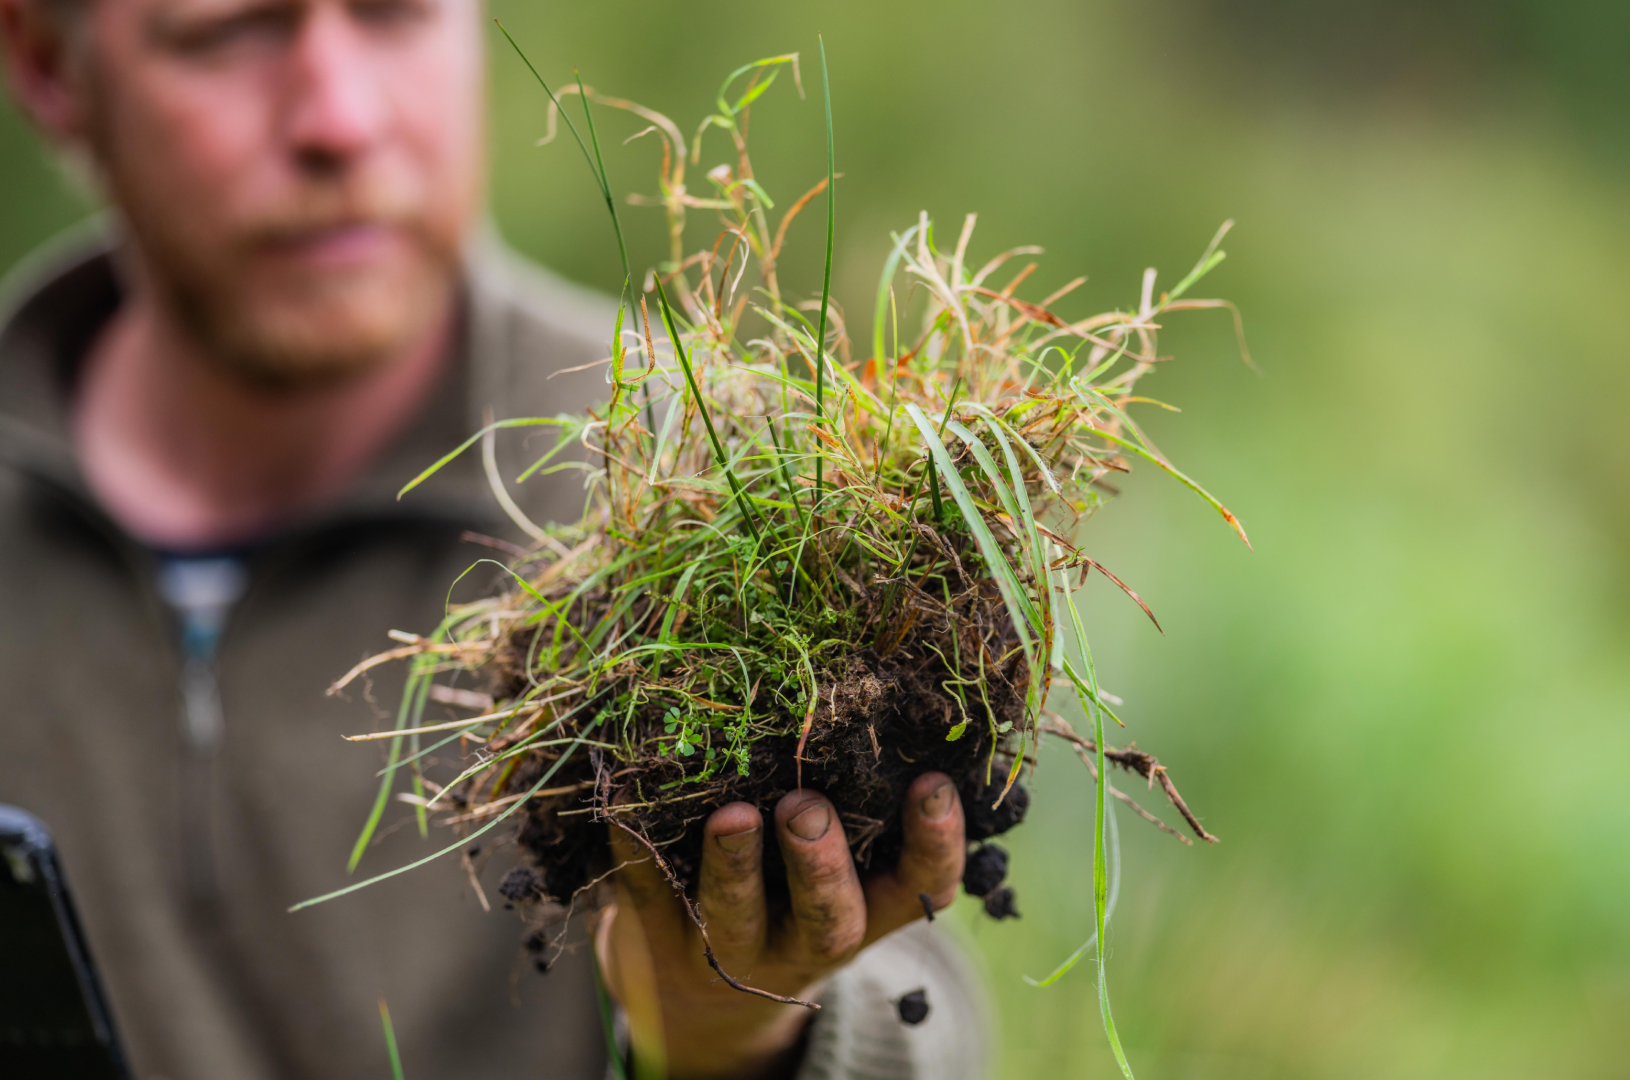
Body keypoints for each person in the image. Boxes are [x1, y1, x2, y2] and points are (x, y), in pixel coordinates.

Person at [0, 1, 984, 1077]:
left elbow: (931, 1017)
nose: (339, 115)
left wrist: (739, 1025)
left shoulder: (710, 475)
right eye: (230, 30)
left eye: (395, 13)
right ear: (49, 64)